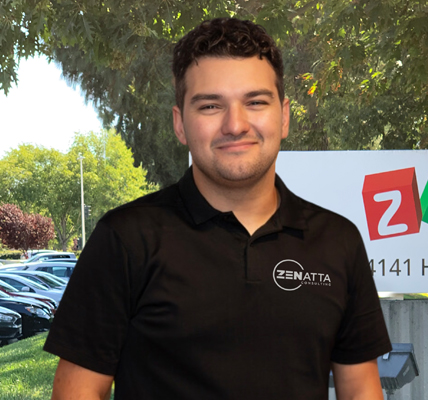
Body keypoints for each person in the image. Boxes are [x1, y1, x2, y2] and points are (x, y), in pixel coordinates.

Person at [44, 17, 391, 400]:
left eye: (256, 102)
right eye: (210, 106)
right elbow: (76, 394)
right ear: (180, 124)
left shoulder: (338, 241)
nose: (235, 124)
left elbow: (360, 390)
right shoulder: (125, 238)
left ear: (284, 116)